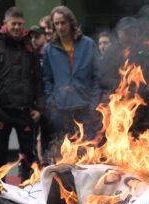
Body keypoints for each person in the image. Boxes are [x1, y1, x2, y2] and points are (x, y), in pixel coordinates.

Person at [0, 7, 43, 181]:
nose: (17, 27)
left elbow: (38, 81)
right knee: (0, 154)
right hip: (3, 111)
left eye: (20, 23)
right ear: (5, 24)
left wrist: (39, 108)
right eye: (13, 23)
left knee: (28, 155)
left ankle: (27, 188)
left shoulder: (30, 49)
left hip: (26, 111)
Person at [42, 5, 100, 162]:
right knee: (64, 153)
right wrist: (52, 101)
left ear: (71, 23)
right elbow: (47, 79)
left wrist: (94, 103)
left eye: (63, 23)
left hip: (85, 107)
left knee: (86, 150)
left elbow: (97, 76)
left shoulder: (88, 44)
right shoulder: (49, 50)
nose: (60, 27)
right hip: (61, 109)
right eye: (57, 24)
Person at [98, 16, 149, 136]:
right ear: (119, 33)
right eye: (126, 32)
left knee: (146, 141)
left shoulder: (145, 50)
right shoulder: (111, 53)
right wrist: (123, 85)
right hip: (118, 107)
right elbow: (102, 78)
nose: (130, 35)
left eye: (133, 31)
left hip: (142, 106)